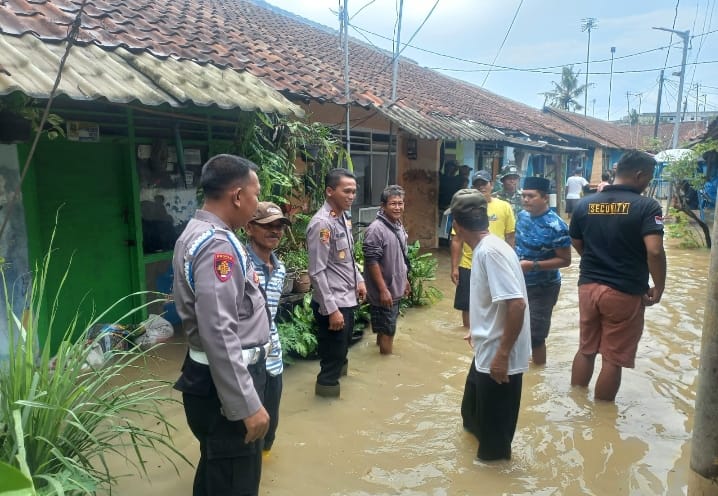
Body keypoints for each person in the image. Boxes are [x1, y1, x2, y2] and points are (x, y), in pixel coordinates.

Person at [172, 154, 270, 496]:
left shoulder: (198, 232)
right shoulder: (217, 247)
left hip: (214, 380)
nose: (258, 204)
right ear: (238, 196)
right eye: (256, 194)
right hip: (225, 386)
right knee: (234, 480)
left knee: (218, 475)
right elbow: (218, 330)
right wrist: (245, 403)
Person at [569, 150, 666, 402]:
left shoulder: (585, 204)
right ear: (639, 174)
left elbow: (576, 242)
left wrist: (596, 260)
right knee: (613, 358)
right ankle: (602, 416)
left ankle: (575, 403)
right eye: (648, 178)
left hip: (588, 287)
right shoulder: (647, 206)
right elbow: (655, 251)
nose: (647, 184)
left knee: (586, 348)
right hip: (624, 291)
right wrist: (659, 286)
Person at [451, 189, 531, 462]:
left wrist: (503, 355)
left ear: (456, 225)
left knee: (493, 448)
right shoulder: (489, 247)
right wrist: (478, 327)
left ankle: (495, 477)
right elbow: (496, 301)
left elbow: (516, 305)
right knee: (471, 418)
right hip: (488, 349)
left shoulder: (490, 253)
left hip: (499, 356)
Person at [307, 168, 367, 398]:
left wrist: (359, 280)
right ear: (330, 191)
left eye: (354, 191)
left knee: (341, 351)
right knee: (332, 360)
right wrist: (331, 310)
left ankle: (340, 388)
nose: (352, 196)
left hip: (347, 297)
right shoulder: (322, 224)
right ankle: (327, 397)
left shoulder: (343, 217)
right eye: (347, 191)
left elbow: (347, 258)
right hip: (333, 303)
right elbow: (317, 271)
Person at [245, 201, 291, 456]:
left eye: (279, 226)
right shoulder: (240, 266)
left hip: (274, 358)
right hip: (247, 362)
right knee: (247, 431)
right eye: (267, 226)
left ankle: (266, 467)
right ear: (249, 228)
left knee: (269, 427)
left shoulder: (280, 268)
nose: (275, 231)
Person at [515, 177, 571, 366]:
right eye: (523, 195)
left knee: (536, 336)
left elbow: (565, 261)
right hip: (519, 281)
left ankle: (538, 372)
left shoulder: (557, 226)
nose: (525, 200)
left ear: (545, 198)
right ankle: (519, 366)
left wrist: (533, 265)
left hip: (543, 287)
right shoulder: (522, 216)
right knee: (514, 327)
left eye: (531, 196)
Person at [451, 170, 515, 328]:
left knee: (495, 303)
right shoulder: (466, 208)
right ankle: (469, 332)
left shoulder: (504, 207)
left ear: (491, 185)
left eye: (484, 184)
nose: (481, 187)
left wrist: (509, 262)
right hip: (468, 265)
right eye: (477, 185)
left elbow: (510, 236)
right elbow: (457, 239)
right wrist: (454, 267)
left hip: (496, 262)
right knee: (467, 305)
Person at [362, 185, 410, 355]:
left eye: (400, 203)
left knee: (385, 328)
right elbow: (371, 261)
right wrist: (383, 290)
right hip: (384, 291)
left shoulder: (397, 224)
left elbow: (400, 257)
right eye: (393, 204)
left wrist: (405, 280)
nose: (397, 207)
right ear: (383, 206)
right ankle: (385, 361)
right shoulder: (376, 230)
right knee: (388, 332)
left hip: (395, 288)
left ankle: (380, 355)